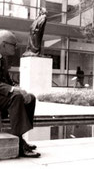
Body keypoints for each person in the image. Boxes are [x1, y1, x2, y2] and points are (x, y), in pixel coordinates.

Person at [0, 30, 40, 158]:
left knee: (30, 98)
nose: (15, 48)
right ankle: (20, 144)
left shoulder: (3, 59)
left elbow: (7, 81)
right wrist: (13, 90)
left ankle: (20, 138)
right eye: (13, 44)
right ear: (3, 44)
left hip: (1, 94)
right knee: (16, 97)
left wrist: (19, 88)